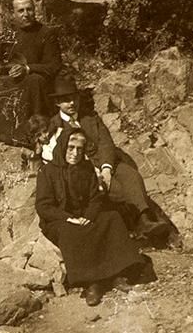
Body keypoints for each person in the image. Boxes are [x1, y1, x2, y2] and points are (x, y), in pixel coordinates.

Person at [48, 76, 180, 246]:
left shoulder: (90, 118)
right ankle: (146, 227)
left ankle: (146, 221)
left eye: (74, 97)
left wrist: (106, 168)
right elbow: (59, 156)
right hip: (84, 171)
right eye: (66, 100)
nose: (72, 103)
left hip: (108, 163)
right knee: (117, 190)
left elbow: (106, 143)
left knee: (131, 177)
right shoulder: (54, 125)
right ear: (58, 103)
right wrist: (94, 172)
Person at [36, 130, 150, 306]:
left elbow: (96, 197)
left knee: (112, 218)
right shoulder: (47, 171)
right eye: (71, 148)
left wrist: (89, 216)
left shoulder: (86, 167)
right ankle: (92, 284)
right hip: (59, 219)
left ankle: (117, 274)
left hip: (84, 214)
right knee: (71, 232)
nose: (75, 154)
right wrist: (68, 218)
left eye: (80, 149)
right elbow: (43, 206)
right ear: (62, 146)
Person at [0, 0, 62, 144]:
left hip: (38, 81)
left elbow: (54, 65)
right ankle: (1, 133)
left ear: (35, 10)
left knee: (34, 81)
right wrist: (6, 69)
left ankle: (35, 133)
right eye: (21, 11)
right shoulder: (7, 35)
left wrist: (27, 68)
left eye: (29, 10)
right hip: (13, 80)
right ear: (13, 14)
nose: (26, 14)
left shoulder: (46, 33)